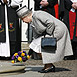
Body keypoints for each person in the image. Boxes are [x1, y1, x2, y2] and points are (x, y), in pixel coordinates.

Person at [16, 5, 73, 73]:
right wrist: (29, 52)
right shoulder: (33, 21)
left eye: (22, 19)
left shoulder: (38, 14)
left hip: (58, 30)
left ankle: (49, 66)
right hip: (52, 31)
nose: (23, 21)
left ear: (26, 16)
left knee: (41, 45)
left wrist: (48, 35)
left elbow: (50, 22)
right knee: (37, 45)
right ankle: (48, 65)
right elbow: (36, 38)